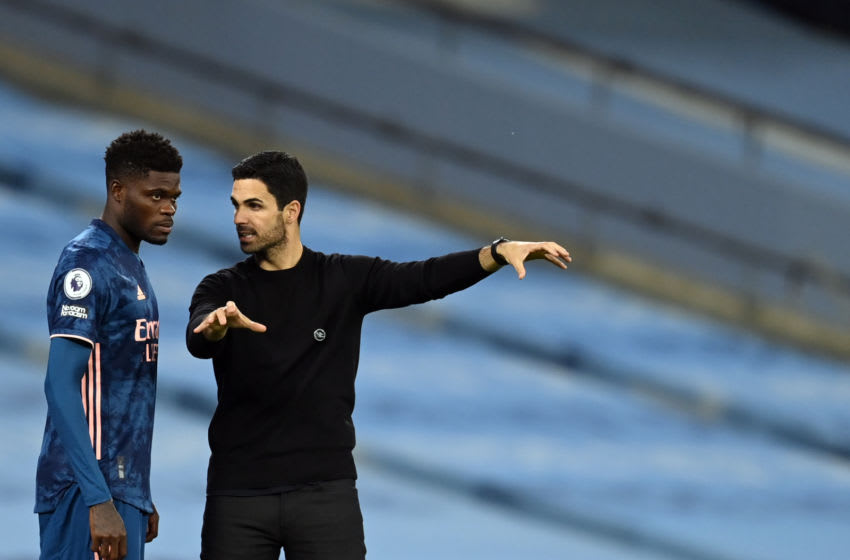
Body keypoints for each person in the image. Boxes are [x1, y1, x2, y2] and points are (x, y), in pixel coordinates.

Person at [185, 150, 571, 560]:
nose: (238, 218)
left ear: (291, 211)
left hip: (325, 495)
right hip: (238, 496)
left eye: (253, 205)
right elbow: (199, 335)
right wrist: (215, 327)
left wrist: (496, 251)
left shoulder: (343, 278)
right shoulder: (220, 287)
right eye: (235, 205)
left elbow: (424, 278)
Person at [35, 130, 183, 560]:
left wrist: (138, 489)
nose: (169, 208)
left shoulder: (129, 265)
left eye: (174, 197)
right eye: (155, 195)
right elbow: (60, 386)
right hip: (85, 493)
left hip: (120, 490)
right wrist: (99, 500)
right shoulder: (86, 263)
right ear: (118, 191)